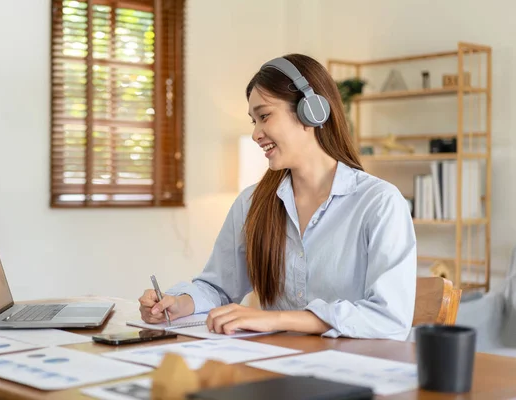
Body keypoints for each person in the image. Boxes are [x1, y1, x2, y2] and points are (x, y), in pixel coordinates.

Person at [138, 54, 417, 341]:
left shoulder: (378, 203)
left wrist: (277, 319)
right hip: (275, 366)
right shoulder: (251, 204)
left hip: (354, 370)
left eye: (265, 116)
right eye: (253, 121)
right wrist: (177, 304)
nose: (256, 133)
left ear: (312, 111)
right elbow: (219, 287)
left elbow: (390, 317)